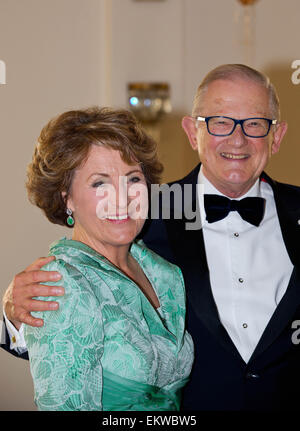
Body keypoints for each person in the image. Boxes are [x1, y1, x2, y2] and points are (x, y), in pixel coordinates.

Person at [2, 63, 300, 411]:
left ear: (277, 136)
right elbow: (72, 340)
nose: (237, 139)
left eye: (255, 124)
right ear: (192, 132)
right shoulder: (144, 211)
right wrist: (12, 315)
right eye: (220, 122)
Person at [1, 106, 193, 411]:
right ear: (67, 197)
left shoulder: (163, 272)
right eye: (99, 183)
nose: (121, 198)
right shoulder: (63, 282)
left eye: (132, 179)